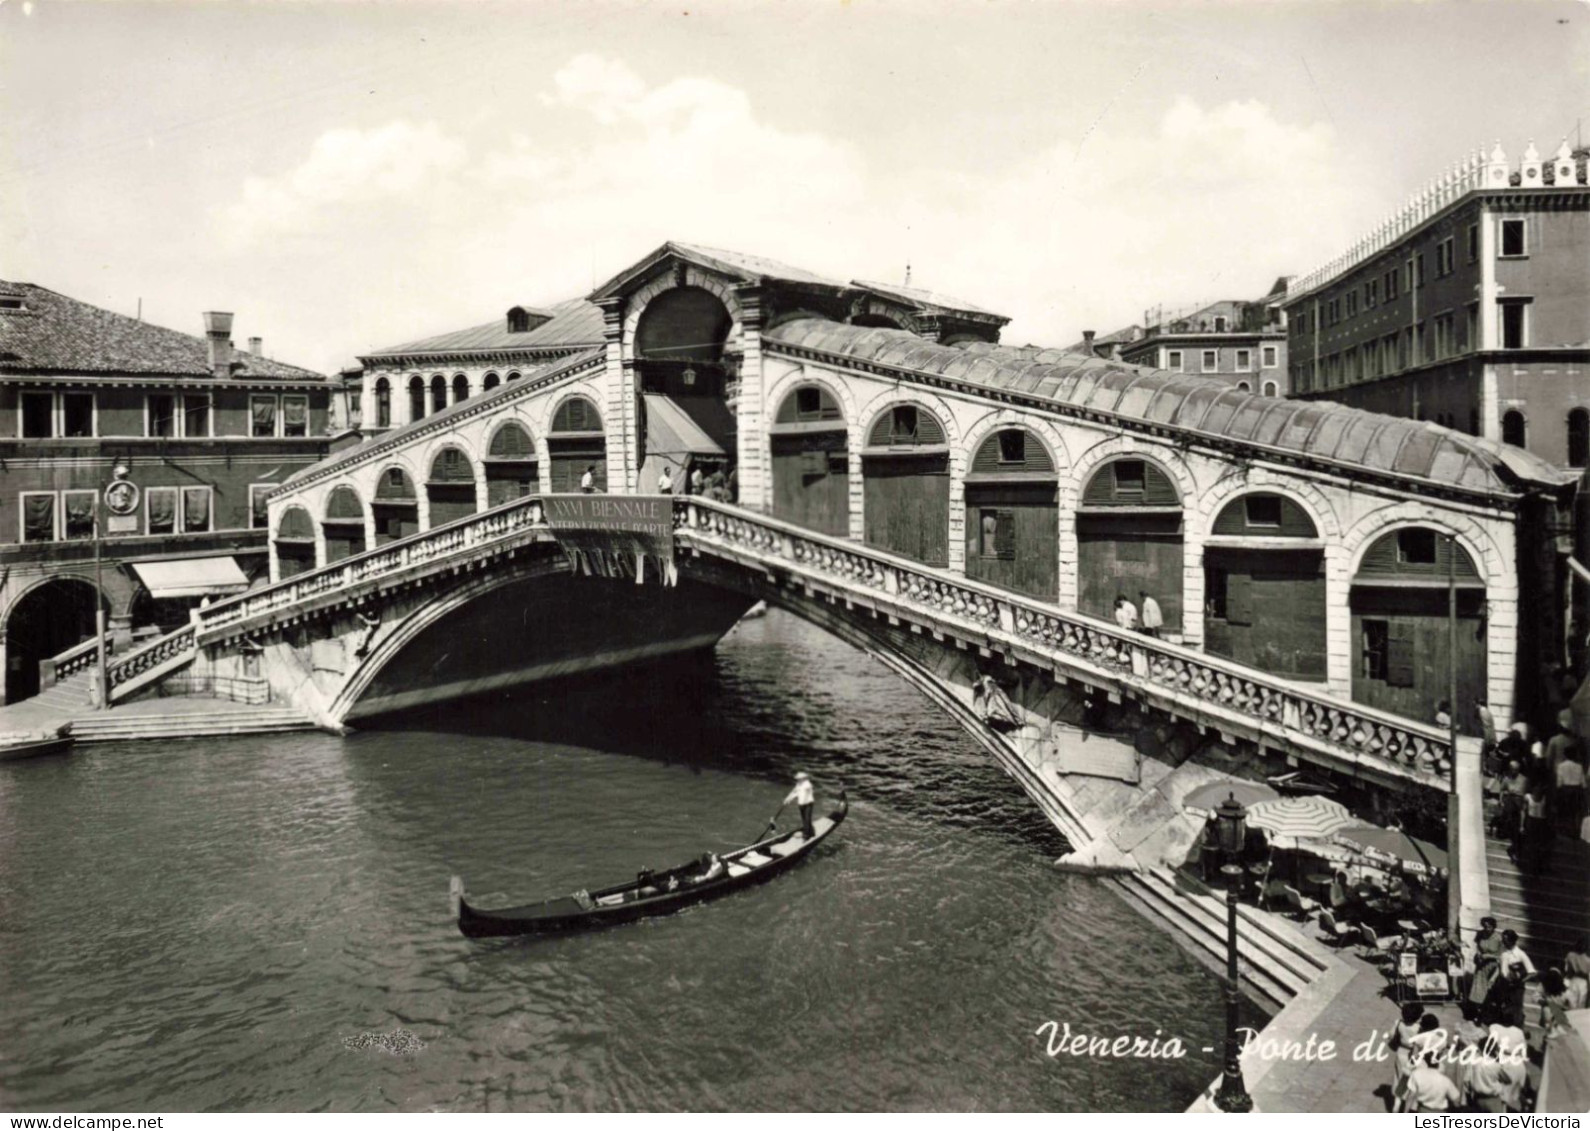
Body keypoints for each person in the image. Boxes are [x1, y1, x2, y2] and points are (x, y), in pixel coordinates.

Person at [1467, 917, 1502, 1017]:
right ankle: (1476, 1010)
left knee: (1488, 989)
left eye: (1489, 927)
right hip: (1481, 964)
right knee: (1478, 988)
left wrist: (1489, 956)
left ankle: (1486, 1011)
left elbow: (1501, 955)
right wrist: (1478, 954)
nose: (1487, 929)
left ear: (1493, 927)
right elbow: (1477, 946)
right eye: (1485, 926)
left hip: (1492, 966)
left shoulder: (1498, 938)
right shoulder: (1480, 934)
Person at [1556, 752, 1585, 836]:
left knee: (1565, 811)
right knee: (1575, 811)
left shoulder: (1561, 766)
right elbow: (1583, 783)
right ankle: (1574, 830)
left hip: (1565, 790)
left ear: (1565, 755)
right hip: (1576, 790)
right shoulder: (1579, 766)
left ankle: (1566, 830)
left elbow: (1559, 782)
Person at [784, 771, 816, 838]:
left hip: (808, 804)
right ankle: (811, 832)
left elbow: (802, 793)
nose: (798, 779)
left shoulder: (807, 784)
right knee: (804, 819)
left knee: (807, 819)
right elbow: (794, 792)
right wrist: (788, 799)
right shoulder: (799, 784)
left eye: (799, 778)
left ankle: (806, 835)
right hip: (801, 804)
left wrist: (793, 798)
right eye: (798, 778)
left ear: (803, 778)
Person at [1564, 937, 1590, 1009]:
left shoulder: (1570, 955)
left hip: (1574, 979)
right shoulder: (1587, 960)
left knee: (1572, 1002)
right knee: (1581, 1002)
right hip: (1582, 981)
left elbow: (1567, 969)